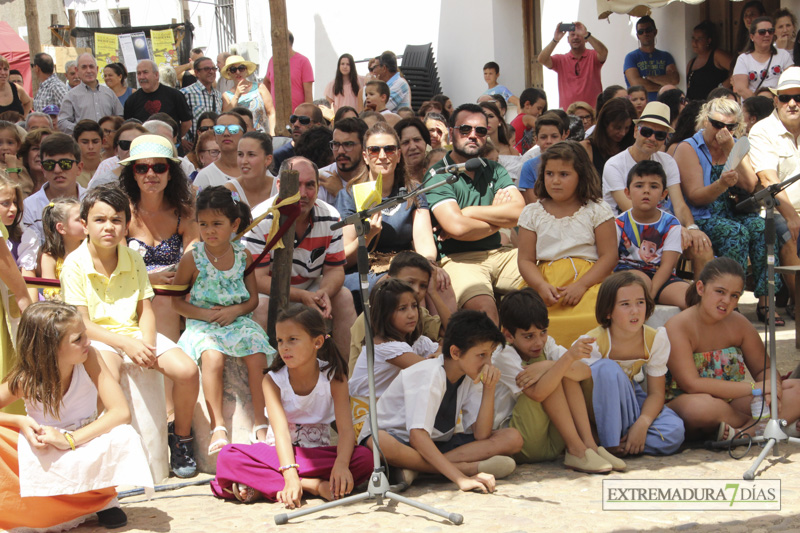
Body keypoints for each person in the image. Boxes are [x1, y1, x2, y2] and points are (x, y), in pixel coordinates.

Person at [60, 185, 200, 478]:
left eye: (116, 220)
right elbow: (82, 324)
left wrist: (146, 344)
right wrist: (126, 344)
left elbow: (145, 309)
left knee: (187, 371)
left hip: (135, 333)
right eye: (100, 220)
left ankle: (180, 438)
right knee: (107, 378)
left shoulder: (133, 258)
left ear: (126, 225)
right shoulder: (74, 264)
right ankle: (105, 452)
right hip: (98, 338)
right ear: (84, 224)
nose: (108, 227)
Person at [0, 301, 153, 531]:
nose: (88, 342)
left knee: (124, 435)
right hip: (45, 452)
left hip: (84, 443)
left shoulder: (90, 357)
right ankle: (41, 507)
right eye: (78, 339)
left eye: (85, 334)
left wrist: (70, 439)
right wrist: (19, 421)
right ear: (51, 347)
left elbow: (121, 412)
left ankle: (102, 501)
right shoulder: (26, 378)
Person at [210, 303, 372, 505]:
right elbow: (281, 434)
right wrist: (290, 474)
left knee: (366, 458)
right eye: (280, 340)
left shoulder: (334, 377)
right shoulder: (272, 381)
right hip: (279, 455)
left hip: (316, 457)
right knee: (228, 456)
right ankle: (311, 485)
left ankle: (266, 486)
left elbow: (346, 431)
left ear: (317, 342)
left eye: (293, 340)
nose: (284, 347)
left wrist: (341, 464)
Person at [359, 309, 522, 490]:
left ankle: (417, 469)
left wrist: (489, 389)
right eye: (481, 355)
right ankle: (465, 468)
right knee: (379, 441)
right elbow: (417, 436)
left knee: (512, 437)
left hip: (435, 445)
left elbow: (481, 435)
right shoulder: (430, 373)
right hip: (399, 442)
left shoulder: (469, 374)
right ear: (455, 352)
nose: (488, 363)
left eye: (490, 355)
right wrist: (461, 477)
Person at [172, 186, 274, 453]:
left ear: (234, 224)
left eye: (217, 224)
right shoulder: (192, 259)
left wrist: (234, 311)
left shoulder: (243, 256)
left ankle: (260, 420)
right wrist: (207, 315)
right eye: (203, 224)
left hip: (236, 320)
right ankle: (218, 425)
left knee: (257, 353)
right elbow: (177, 301)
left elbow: (252, 299)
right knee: (212, 356)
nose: (210, 231)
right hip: (202, 323)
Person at [665, 258, 800, 441]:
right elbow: (692, 384)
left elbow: (764, 369)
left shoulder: (739, 323)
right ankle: (765, 425)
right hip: (692, 402)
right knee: (700, 407)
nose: (726, 301)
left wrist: (771, 390)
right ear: (700, 288)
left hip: (735, 401)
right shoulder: (678, 327)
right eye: (720, 292)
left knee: (797, 388)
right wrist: (755, 388)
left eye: (734, 295)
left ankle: (741, 434)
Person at [675, 97, 783, 325]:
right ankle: (731, 301)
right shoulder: (688, 148)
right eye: (717, 124)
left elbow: (749, 184)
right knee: (736, 233)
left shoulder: (734, 144)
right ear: (705, 121)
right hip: (702, 215)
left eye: (730, 127)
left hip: (731, 211)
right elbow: (695, 195)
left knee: (762, 228)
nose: (723, 131)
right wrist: (722, 184)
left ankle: (766, 299)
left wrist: (730, 149)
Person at [493, 288, 623, 471]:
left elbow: (585, 372)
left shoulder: (548, 343)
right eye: (529, 336)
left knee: (564, 371)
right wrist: (559, 364)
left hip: (553, 438)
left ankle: (588, 446)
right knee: (558, 371)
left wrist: (548, 365)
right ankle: (576, 450)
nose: (538, 342)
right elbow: (537, 394)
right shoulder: (503, 353)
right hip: (523, 442)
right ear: (508, 335)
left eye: (543, 332)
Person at [244, 156, 356, 358]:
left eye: (310, 185)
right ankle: (264, 379)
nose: (303, 193)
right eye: (295, 185)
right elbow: (257, 280)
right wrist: (302, 296)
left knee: (344, 297)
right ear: (280, 185)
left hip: (310, 288)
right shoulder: (260, 219)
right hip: (268, 294)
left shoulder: (330, 216)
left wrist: (324, 292)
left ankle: (345, 376)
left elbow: (335, 270)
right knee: (260, 307)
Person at [425, 103, 525, 324]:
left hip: (502, 253)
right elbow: (457, 228)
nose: (473, 135)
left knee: (545, 283)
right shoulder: (438, 175)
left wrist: (470, 212)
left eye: (480, 130)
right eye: (465, 129)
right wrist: (498, 219)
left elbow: (519, 212)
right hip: (459, 260)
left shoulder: (494, 169)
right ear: (451, 133)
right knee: (485, 312)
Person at [517, 141, 617, 347]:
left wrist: (581, 285)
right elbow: (525, 260)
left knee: (594, 318)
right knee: (527, 321)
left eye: (564, 174)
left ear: (581, 175)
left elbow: (609, 256)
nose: (555, 181)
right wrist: (541, 286)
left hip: (589, 281)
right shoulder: (532, 212)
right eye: (549, 174)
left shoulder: (597, 209)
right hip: (546, 283)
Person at [336, 122, 445, 309]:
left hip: (406, 265)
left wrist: (429, 265)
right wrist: (368, 236)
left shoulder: (413, 190)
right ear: (365, 156)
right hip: (365, 270)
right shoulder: (350, 194)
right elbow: (344, 258)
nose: (382, 156)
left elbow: (424, 242)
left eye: (389, 149)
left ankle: (441, 336)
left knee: (438, 283)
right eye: (374, 150)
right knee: (399, 287)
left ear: (398, 154)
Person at [602, 102, 714, 280]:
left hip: (661, 226)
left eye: (660, 135)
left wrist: (691, 228)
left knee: (703, 247)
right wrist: (672, 227)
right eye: (646, 131)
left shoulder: (667, 161)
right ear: (635, 131)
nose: (652, 138)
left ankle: (699, 304)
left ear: (665, 139)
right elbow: (632, 209)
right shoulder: (614, 165)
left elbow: (679, 203)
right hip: (625, 232)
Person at [578, 273, 685, 455]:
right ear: (608, 311)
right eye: (625, 304)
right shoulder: (592, 342)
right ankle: (609, 442)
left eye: (640, 302)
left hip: (629, 397)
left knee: (674, 432)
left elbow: (656, 393)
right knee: (607, 369)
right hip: (596, 407)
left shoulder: (655, 339)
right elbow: (576, 390)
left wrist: (642, 424)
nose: (635, 311)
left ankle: (621, 440)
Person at [120, 135, 198, 342]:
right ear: (133, 174)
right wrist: (146, 280)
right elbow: (114, 261)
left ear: (170, 174)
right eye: (142, 169)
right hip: (129, 289)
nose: (151, 174)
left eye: (159, 168)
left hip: (177, 289)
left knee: (166, 300)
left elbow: (194, 258)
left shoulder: (185, 213)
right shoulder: (121, 213)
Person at [613, 161, 690, 310]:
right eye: (639, 185)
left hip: (661, 276)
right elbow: (612, 258)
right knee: (640, 281)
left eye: (653, 186)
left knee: (690, 297)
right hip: (627, 274)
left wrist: (651, 294)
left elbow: (668, 265)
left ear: (663, 194)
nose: (646, 191)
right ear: (627, 192)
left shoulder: (671, 223)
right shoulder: (619, 223)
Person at [349, 278, 439, 402]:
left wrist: (439, 356)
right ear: (384, 314)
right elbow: (432, 370)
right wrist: (439, 358)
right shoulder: (385, 347)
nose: (412, 314)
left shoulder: (416, 342)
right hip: (368, 416)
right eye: (402, 309)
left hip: (390, 410)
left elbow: (444, 353)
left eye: (414, 306)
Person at [22, 133, 86, 244]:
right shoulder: (29, 207)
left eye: (65, 164)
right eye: (49, 164)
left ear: (79, 168)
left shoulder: (94, 201)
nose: (57, 170)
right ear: (43, 170)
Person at [538, 21, 607, 109]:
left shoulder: (593, 56)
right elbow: (542, 59)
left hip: (592, 113)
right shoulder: (561, 59)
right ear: (568, 39)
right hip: (568, 114)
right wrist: (555, 39)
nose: (575, 37)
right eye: (572, 35)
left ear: (585, 39)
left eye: (579, 34)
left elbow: (604, 52)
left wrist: (587, 34)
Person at [123, 60, 192, 139]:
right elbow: (128, 126)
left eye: (145, 72)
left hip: (170, 146)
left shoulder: (174, 95)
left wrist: (174, 138)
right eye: (139, 73)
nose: (142, 77)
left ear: (156, 75)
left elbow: (186, 122)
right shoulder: (132, 100)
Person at [58, 54, 123, 135]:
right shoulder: (71, 96)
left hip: (107, 144)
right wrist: (81, 130)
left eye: (91, 67)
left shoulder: (109, 93)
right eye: (84, 67)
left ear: (97, 69)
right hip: (83, 145)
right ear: (77, 70)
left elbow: (120, 117)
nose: (88, 71)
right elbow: (62, 122)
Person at [732, 17, 793, 99]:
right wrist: (759, 103)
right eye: (762, 32)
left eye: (770, 31)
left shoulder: (784, 55)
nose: (767, 34)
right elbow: (741, 89)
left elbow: (791, 82)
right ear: (752, 37)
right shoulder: (743, 59)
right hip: (753, 107)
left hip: (778, 106)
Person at [623, 16, 680, 102]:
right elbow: (637, 84)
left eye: (648, 30)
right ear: (638, 36)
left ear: (655, 31)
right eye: (641, 32)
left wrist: (650, 78)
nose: (645, 34)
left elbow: (674, 79)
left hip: (663, 105)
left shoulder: (666, 56)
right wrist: (664, 87)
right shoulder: (631, 57)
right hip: (640, 108)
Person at [518, 112, 569, 203]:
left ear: (563, 137)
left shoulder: (574, 163)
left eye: (554, 136)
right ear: (536, 140)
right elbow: (533, 204)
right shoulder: (529, 166)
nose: (549, 141)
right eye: (543, 137)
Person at [580, 96, 637, 176]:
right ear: (605, 123)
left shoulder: (632, 147)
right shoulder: (586, 148)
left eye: (627, 128)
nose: (622, 133)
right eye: (617, 128)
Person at [40, 198, 83, 301]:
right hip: (64, 310)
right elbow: (50, 291)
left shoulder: (92, 251)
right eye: (79, 219)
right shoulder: (50, 257)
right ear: (61, 228)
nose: (85, 222)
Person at [222, 55, 274, 134]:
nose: (238, 72)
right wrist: (236, 96)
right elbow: (225, 118)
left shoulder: (260, 88)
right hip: (238, 139)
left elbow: (271, 113)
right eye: (233, 70)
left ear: (246, 70)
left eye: (241, 68)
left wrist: (273, 135)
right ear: (229, 73)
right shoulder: (226, 95)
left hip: (261, 137)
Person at [193, 112, 246, 188]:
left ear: (244, 134)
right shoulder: (205, 176)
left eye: (233, 129)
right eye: (219, 129)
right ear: (215, 136)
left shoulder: (257, 172)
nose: (226, 133)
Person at [224, 131, 277, 208]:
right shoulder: (229, 190)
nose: (244, 161)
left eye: (251, 155)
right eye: (240, 154)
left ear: (268, 159)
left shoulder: (279, 188)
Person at [181, 56, 223, 151]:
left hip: (214, 145)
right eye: (206, 69)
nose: (211, 72)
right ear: (197, 73)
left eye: (213, 68)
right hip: (192, 146)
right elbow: (178, 120)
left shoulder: (218, 95)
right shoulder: (186, 93)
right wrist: (180, 140)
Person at [686, 21, 733, 101]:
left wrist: (722, 87)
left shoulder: (717, 55)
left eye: (699, 39)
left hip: (714, 107)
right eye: (693, 38)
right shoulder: (691, 63)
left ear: (708, 40)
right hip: (694, 108)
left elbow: (738, 69)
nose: (695, 42)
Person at [271, 103, 322, 172]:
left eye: (303, 120)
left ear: (317, 126)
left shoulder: (324, 153)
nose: (296, 124)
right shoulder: (279, 156)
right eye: (293, 119)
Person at [0, 120, 34, 195]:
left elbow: (15, 194)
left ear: (18, 145)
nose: (5, 147)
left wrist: (11, 166)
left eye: (10, 143)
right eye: (0, 143)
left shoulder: (20, 166)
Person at [394, 117, 431, 185]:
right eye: (406, 142)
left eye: (417, 140)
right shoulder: (393, 184)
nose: (413, 147)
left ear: (426, 143)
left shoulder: (438, 175)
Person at [511, 88, 547, 154]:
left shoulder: (516, 119)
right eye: (538, 108)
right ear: (527, 104)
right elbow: (544, 127)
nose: (540, 113)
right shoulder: (526, 118)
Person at [73, 120, 103, 187]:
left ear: (102, 142)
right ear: (76, 143)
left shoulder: (110, 168)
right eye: (85, 142)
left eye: (95, 142)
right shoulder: (71, 172)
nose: (91, 147)